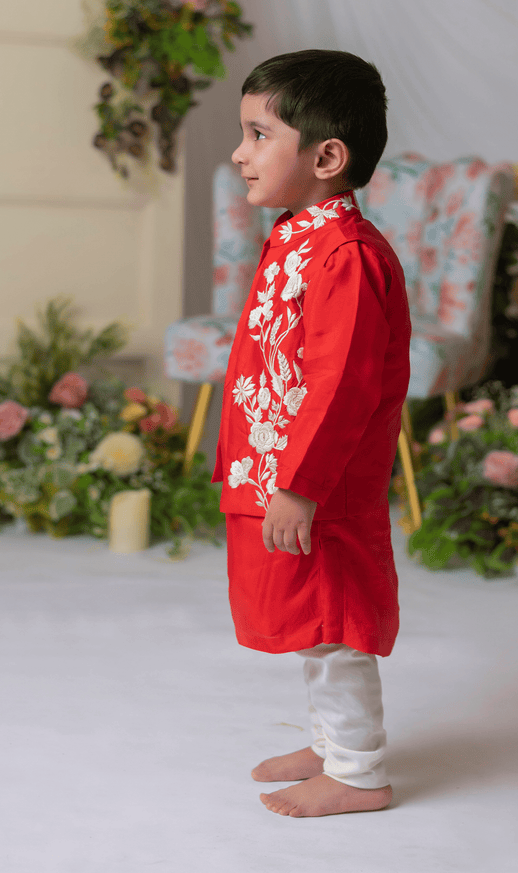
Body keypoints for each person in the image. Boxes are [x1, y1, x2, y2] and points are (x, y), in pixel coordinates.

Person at [212, 49, 411, 818]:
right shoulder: (299, 236)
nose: (239, 152)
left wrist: (299, 485)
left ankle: (359, 770)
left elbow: (341, 387)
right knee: (308, 618)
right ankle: (332, 743)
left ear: (327, 156)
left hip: (315, 486)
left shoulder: (349, 256)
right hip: (278, 475)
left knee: (333, 625)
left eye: (259, 134)